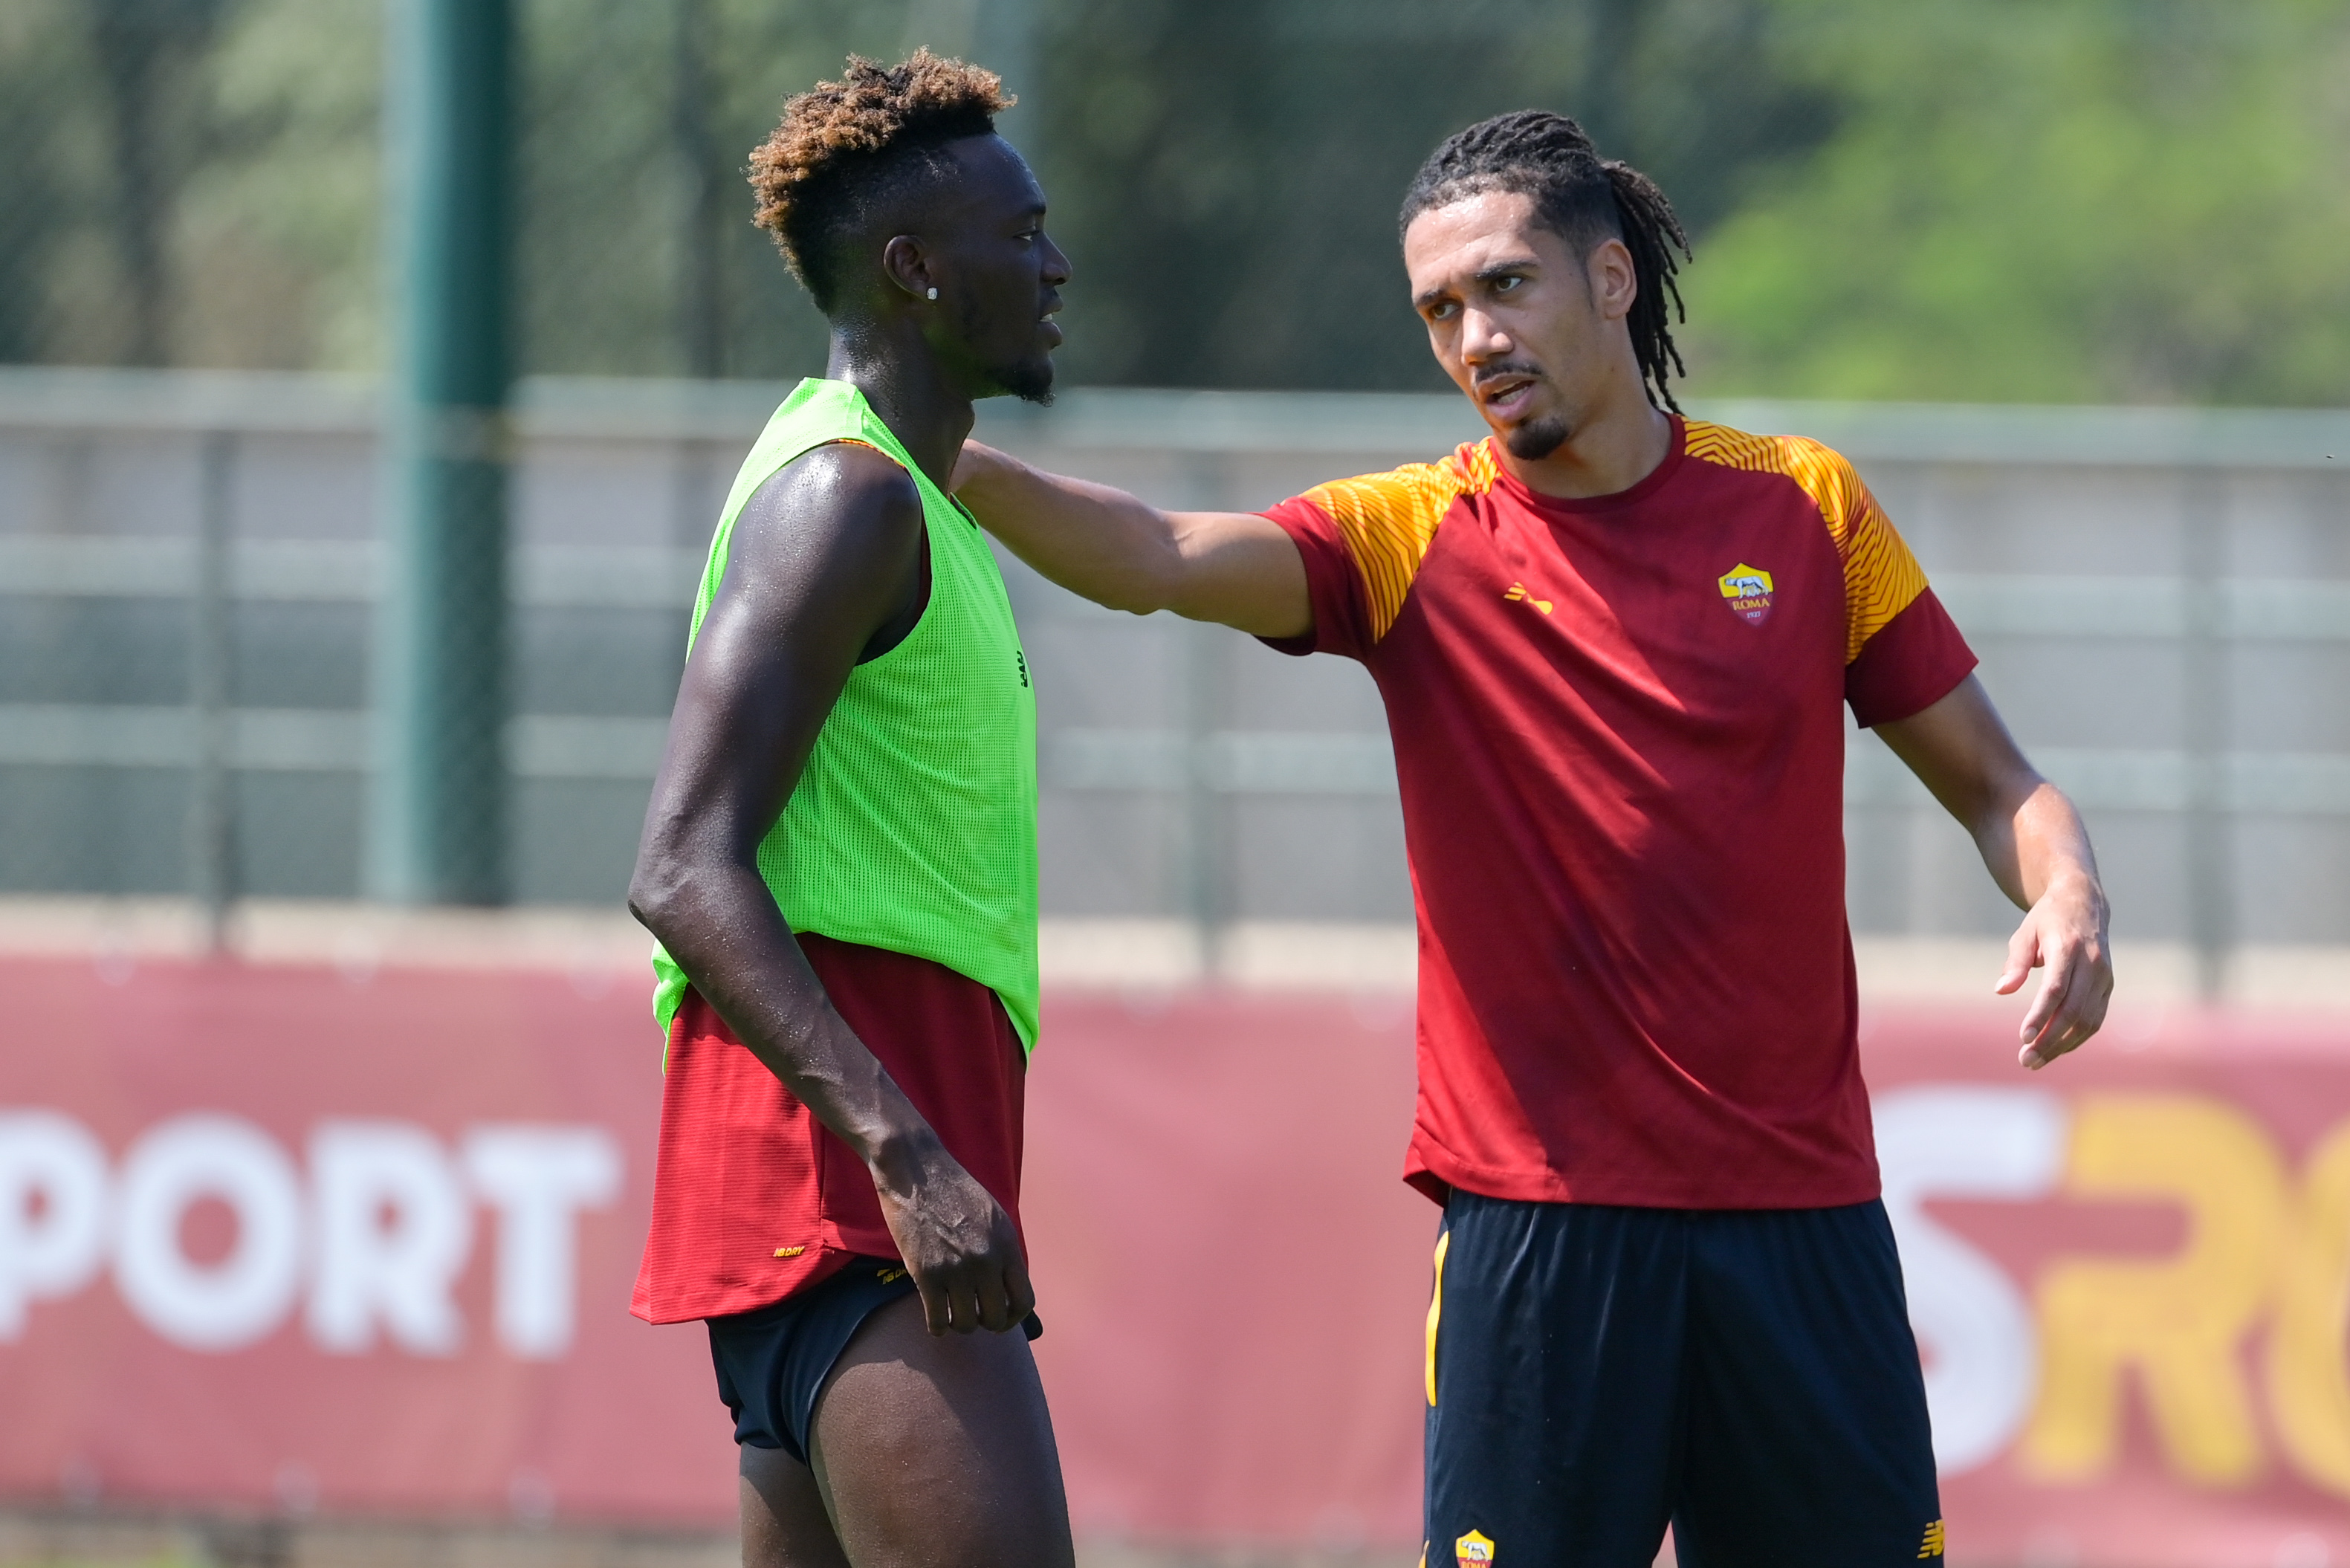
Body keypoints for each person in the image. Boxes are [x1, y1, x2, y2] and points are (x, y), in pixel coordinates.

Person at [953, 110, 2112, 1567]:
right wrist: (935, 446)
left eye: (1506, 286)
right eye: (1440, 308)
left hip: (1803, 1220)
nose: (1475, 335)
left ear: (1612, 278)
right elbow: (1159, 558)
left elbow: (2001, 779)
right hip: (1541, 1230)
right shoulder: (1404, 535)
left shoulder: (1809, 505)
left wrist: (2067, 887)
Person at [625, 51, 1074, 1568]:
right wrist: (910, 1156)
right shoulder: (846, 498)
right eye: (1020, 238)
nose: (1055, 265)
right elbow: (684, 865)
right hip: (844, 1202)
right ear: (915, 273)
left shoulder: (912, 499)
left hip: (847, 1206)